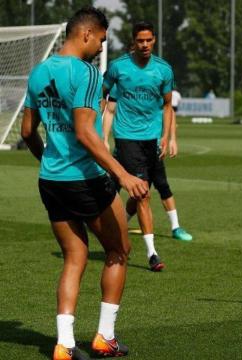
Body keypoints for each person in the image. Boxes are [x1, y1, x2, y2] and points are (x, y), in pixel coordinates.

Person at [21, 6, 147, 359]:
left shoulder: (39, 71)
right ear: (86, 34)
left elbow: (27, 132)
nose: (102, 48)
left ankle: (64, 344)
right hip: (86, 181)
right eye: (102, 40)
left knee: (74, 256)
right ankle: (104, 337)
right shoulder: (88, 74)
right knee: (119, 252)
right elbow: (86, 134)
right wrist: (122, 174)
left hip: (51, 180)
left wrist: (47, 158)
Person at [102, 21, 176, 271]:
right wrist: (98, 131)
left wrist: (166, 136)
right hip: (127, 138)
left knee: (135, 192)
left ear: (154, 40)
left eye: (149, 40)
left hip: (153, 140)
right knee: (143, 193)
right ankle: (152, 253)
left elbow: (167, 106)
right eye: (140, 40)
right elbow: (101, 95)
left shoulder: (164, 70)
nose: (144, 45)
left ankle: (109, 219)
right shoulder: (118, 67)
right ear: (133, 41)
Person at [103, 87, 193, 243]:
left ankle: (175, 227)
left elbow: (168, 110)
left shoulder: (157, 82)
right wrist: (104, 139)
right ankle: (106, 221)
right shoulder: (122, 83)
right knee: (116, 186)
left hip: (154, 147)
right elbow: (109, 110)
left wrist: (171, 139)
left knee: (159, 185)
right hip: (127, 146)